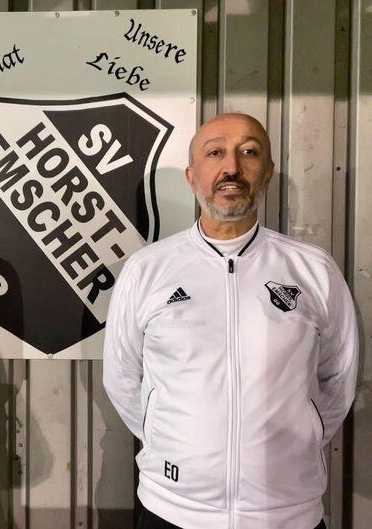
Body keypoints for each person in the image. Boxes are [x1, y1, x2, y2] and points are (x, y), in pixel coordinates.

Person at [103, 113, 358, 529]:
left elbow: (338, 378)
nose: (232, 168)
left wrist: (298, 439)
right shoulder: (147, 270)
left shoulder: (313, 270)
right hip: (172, 508)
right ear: (192, 175)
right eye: (215, 152)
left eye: (249, 152)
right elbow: (122, 378)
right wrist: (178, 446)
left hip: (287, 514)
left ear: (268, 172)